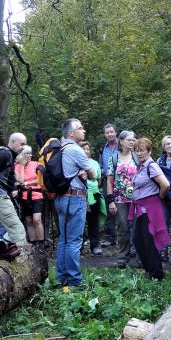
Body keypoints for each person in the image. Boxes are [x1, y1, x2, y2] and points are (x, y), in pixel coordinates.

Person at [55, 119, 94, 287]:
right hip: (75, 198)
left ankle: (61, 278)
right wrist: (86, 171)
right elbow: (93, 173)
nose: (83, 130)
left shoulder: (59, 149)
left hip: (61, 198)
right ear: (71, 133)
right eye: (80, 128)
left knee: (63, 239)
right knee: (74, 240)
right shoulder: (76, 150)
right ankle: (74, 281)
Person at [130, 138, 171, 279]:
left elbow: (165, 185)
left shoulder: (151, 166)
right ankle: (150, 270)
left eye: (142, 150)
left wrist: (159, 198)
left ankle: (156, 274)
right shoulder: (139, 166)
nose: (139, 153)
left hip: (151, 209)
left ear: (149, 151)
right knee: (138, 240)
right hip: (141, 209)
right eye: (137, 151)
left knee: (150, 241)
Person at [106, 130, 138, 268]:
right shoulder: (113, 159)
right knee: (123, 228)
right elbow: (109, 182)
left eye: (133, 140)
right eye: (129, 140)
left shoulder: (137, 157)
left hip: (137, 198)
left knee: (138, 229)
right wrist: (110, 201)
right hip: (120, 200)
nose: (132, 142)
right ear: (122, 141)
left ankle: (140, 257)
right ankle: (122, 259)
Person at [14, 146, 45, 246]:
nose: (30, 155)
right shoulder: (16, 167)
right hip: (24, 197)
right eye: (27, 153)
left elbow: (39, 180)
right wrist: (22, 166)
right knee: (28, 220)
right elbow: (20, 180)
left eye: (30, 153)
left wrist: (27, 184)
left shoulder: (37, 164)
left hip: (37, 195)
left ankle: (41, 243)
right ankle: (33, 243)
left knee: (37, 219)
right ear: (21, 156)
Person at [81, 141, 106, 256]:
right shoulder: (76, 162)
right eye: (83, 149)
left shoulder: (95, 163)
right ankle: (79, 246)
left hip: (94, 195)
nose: (86, 151)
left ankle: (95, 245)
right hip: (80, 195)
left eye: (87, 149)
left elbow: (99, 180)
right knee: (80, 222)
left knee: (93, 222)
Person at [98, 123, 119, 247]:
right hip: (107, 180)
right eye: (107, 132)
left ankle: (125, 236)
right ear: (105, 134)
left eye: (111, 132)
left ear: (116, 132)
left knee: (124, 206)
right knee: (109, 207)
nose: (110, 134)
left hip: (122, 180)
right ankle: (110, 237)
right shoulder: (103, 149)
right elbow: (101, 166)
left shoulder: (121, 146)